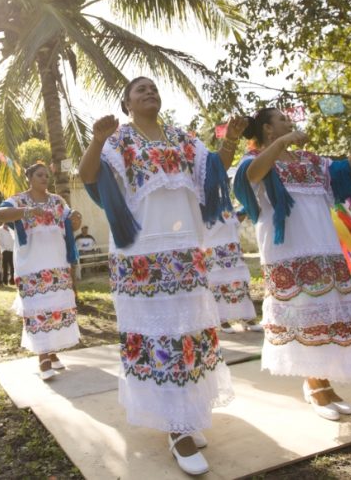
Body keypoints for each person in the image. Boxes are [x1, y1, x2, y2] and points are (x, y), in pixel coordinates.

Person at [79, 76, 245, 476]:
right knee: (162, 336)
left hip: (185, 248)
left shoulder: (183, 137)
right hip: (142, 253)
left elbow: (214, 174)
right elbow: (89, 177)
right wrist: (98, 140)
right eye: (140, 90)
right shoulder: (120, 141)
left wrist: (231, 140)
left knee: (187, 333)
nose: (149, 93)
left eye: (153, 88)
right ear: (126, 104)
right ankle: (177, 430)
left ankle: (184, 415)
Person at [233, 108, 351, 421]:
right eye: (282, 121)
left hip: (323, 248)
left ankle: (324, 383)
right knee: (304, 319)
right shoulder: (254, 160)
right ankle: (314, 384)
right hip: (289, 252)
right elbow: (251, 176)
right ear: (268, 130)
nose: (289, 123)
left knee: (327, 317)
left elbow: (342, 174)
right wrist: (284, 142)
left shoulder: (309, 160)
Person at [0, 162, 80, 380]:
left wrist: (76, 219)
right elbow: (1, 214)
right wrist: (26, 211)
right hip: (31, 265)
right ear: (30, 178)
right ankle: (42, 357)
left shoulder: (57, 201)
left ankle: (51, 353)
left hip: (57, 263)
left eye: (46, 175)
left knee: (55, 308)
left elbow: (72, 225)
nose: (45, 179)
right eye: (40, 175)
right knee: (38, 308)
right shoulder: (18, 200)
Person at [206, 208, 262, 334]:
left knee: (239, 281)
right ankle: (221, 320)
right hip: (212, 249)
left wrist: (247, 207)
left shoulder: (226, 203)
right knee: (217, 282)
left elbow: (237, 219)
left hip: (232, 249)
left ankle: (246, 317)